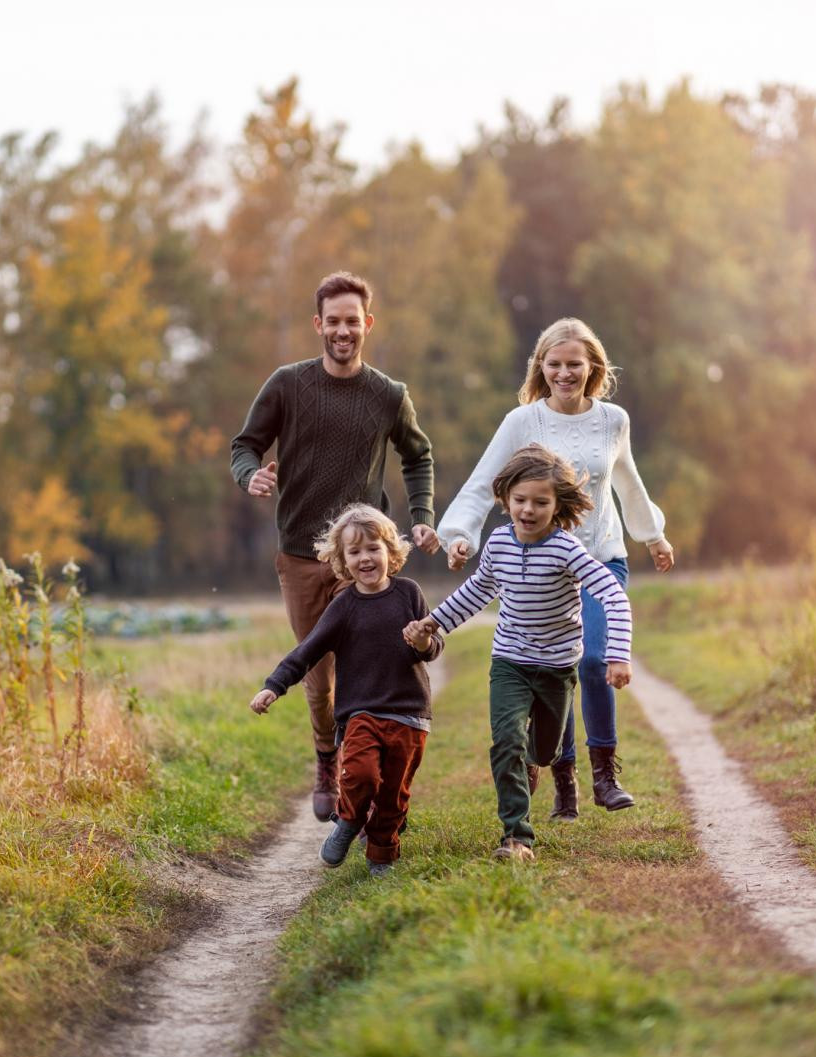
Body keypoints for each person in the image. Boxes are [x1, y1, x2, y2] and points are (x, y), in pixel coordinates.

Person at [436, 317, 672, 821]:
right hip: (543, 563)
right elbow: (485, 481)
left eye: (575, 364)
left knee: (592, 659)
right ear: (541, 367)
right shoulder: (523, 421)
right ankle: (565, 780)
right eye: (555, 364)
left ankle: (605, 773)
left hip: (601, 554)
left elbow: (627, 482)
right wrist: (459, 535)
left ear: (593, 368)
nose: (565, 373)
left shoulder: (614, 420)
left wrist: (653, 536)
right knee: (554, 666)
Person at [231, 271, 441, 820]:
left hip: (361, 560)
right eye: (334, 321)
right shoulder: (286, 384)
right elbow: (245, 444)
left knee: (371, 663)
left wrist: (421, 517)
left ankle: (361, 762)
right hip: (301, 553)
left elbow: (418, 456)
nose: (343, 330)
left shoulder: (388, 395)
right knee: (319, 674)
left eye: (353, 321)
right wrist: (249, 474)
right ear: (317, 325)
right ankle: (328, 756)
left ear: (367, 324)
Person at [407, 445, 631, 862]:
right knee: (506, 740)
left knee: (543, 752)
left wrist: (618, 654)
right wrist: (433, 622)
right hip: (509, 660)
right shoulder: (498, 542)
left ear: (557, 504)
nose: (528, 510)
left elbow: (613, 596)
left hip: (557, 665)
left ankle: (535, 765)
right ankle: (517, 837)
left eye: (541, 502)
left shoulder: (567, 549)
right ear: (505, 498)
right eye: (520, 500)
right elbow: (478, 591)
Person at [251, 505, 442, 876]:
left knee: (393, 795)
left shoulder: (409, 593)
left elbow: (434, 648)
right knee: (360, 776)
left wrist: (422, 643)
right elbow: (307, 651)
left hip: (410, 714)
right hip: (362, 713)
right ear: (342, 560)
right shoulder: (344, 606)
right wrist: (274, 686)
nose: (365, 558)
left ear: (391, 551)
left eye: (373, 548)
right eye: (354, 552)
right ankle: (349, 822)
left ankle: (381, 855)